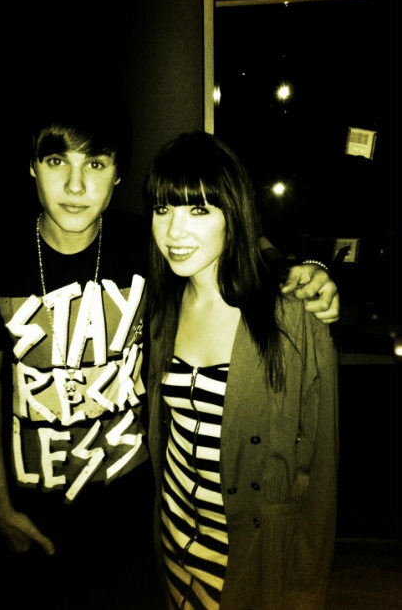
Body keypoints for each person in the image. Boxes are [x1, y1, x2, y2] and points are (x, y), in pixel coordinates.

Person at [0, 82, 338, 609]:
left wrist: (305, 267)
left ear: (117, 174)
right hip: (37, 509)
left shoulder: (149, 246)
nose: (74, 185)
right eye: (56, 161)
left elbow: (225, 228)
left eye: (95, 163)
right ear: (32, 167)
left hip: (137, 512)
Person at [144, 131, 339, 610]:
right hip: (172, 537)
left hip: (247, 554)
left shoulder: (292, 318)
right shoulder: (162, 307)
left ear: (233, 214)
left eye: (198, 210)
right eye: (163, 209)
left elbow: (322, 474)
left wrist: (305, 590)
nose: (174, 232)